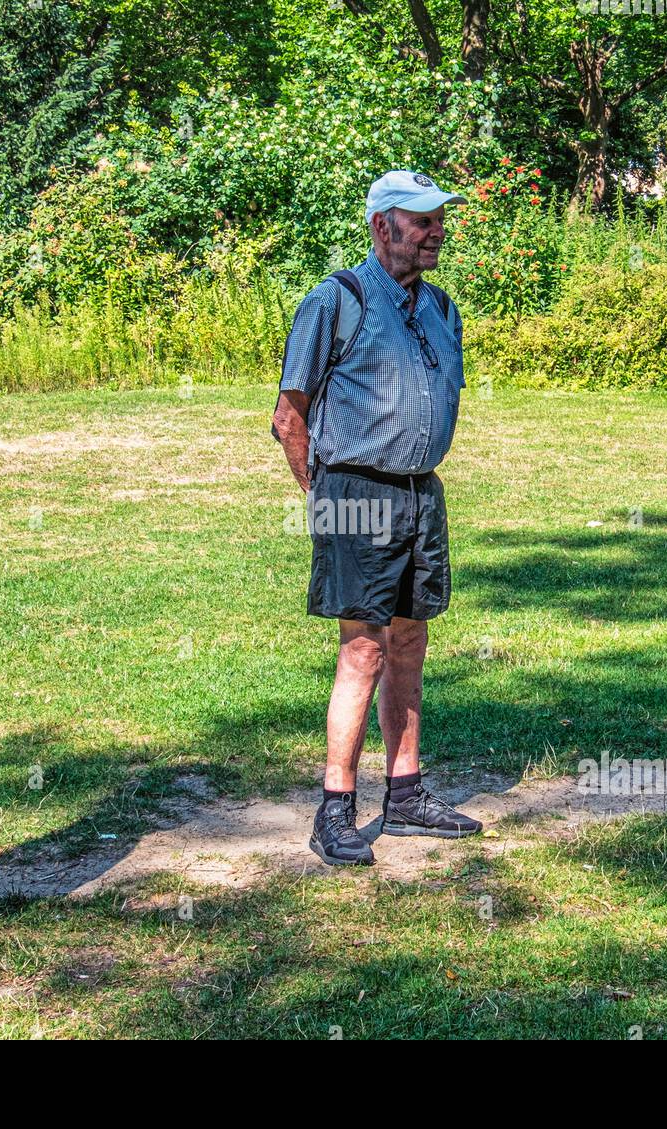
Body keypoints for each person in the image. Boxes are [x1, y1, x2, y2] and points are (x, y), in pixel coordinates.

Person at [272, 169, 483, 866]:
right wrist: (325, 497)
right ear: (380, 226)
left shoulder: (442, 309)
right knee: (362, 647)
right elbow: (288, 418)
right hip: (357, 494)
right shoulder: (337, 300)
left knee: (410, 641)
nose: (435, 230)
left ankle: (406, 790)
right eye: (420, 220)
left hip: (422, 494)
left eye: (437, 219)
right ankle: (335, 807)